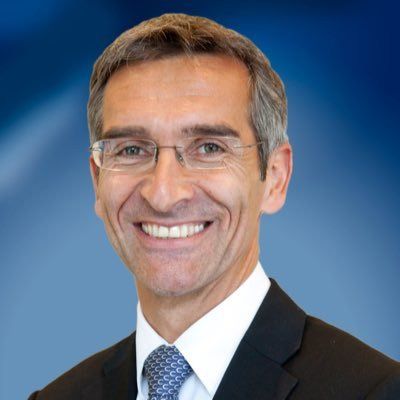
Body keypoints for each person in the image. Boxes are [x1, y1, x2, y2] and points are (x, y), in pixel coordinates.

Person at [29, 13, 400, 400]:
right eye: (132, 150)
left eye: (208, 148)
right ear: (97, 179)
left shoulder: (376, 392)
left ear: (275, 177)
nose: (164, 194)